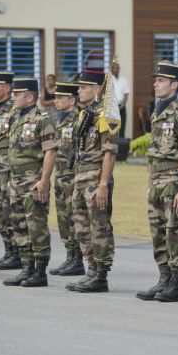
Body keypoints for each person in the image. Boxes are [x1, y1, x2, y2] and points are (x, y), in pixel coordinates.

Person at [136, 62, 178, 302]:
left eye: (160, 80)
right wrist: (150, 183)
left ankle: (175, 283)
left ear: (174, 85)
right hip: (157, 181)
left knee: (174, 231)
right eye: (156, 80)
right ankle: (163, 278)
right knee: (158, 232)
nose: (155, 84)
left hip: (173, 181)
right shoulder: (157, 114)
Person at [65, 70, 118, 293]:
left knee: (99, 227)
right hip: (80, 177)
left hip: (95, 178)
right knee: (82, 226)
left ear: (96, 90)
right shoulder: (85, 114)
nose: (78, 91)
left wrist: (103, 183)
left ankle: (101, 274)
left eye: (83, 87)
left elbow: (109, 151)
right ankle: (91, 268)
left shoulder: (106, 115)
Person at [2, 78, 58, 287]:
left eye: (17, 94)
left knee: (36, 226)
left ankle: (40, 272)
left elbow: (50, 151)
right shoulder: (17, 118)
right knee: (19, 225)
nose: (13, 97)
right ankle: (26, 268)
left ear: (30, 97)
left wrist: (44, 180)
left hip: (33, 181)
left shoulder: (42, 119)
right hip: (16, 181)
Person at [0, 71, 22, 271]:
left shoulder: (14, 110)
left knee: (11, 210)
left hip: (8, 167)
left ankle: (17, 252)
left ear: (7, 88)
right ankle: (8, 250)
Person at [48, 81, 85, 277]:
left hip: (72, 176)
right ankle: (70, 256)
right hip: (60, 175)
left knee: (73, 218)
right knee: (63, 219)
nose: (56, 101)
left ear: (71, 100)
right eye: (55, 97)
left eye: (60, 98)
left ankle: (77, 259)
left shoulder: (78, 120)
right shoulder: (58, 119)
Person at [112, 61, 130, 138]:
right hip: (112, 108)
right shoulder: (109, 80)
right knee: (112, 129)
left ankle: (122, 149)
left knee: (122, 130)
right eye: (114, 68)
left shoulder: (124, 80)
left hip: (122, 108)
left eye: (117, 68)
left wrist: (121, 106)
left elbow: (126, 94)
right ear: (111, 69)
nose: (116, 70)